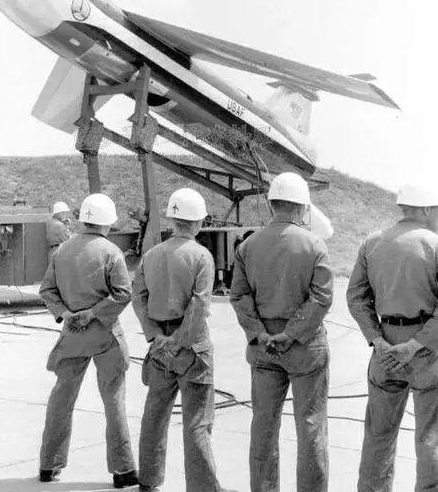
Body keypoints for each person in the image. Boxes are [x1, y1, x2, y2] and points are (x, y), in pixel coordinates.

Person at [230, 171, 333, 492]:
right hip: (305, 348)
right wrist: (291, 334)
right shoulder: (314, 244)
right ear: (302, 207)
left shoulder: (248, 245)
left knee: (263, 426)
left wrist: (260, 333)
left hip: (263, 349)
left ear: (271, 204)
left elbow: (238, 295)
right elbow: (322, 297)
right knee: (311, 426)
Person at [133, 188, 232, 492]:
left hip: (159, 347)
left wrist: (156, 335)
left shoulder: (151, 255)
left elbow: (138, 298)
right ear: (199, 222)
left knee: (154, 415)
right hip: (192, 348)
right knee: (197, 421)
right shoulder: (201, 256)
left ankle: (149, 480)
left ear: (172, 219)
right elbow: (200, 305)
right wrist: (179, 340)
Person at [39, 193, 138, 488]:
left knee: (61, 398)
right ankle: (123, 471)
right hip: (105, 335)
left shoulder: (62, 251)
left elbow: (47, 290)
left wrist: (66, 313)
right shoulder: (111, 252)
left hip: (72, 335)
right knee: (114, 401)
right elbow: (124, 293)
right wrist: (93, 313)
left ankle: (48, 465)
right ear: (108, 221)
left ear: (83, 218)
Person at [347, 184, 438, 492]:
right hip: (426, 351)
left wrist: (377, 340)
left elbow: (356, 297)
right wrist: (414, 345)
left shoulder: (372, 242)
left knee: (378, 435)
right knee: (430, 437)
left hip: (385, 349)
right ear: (426, 209)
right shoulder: (435, 244)